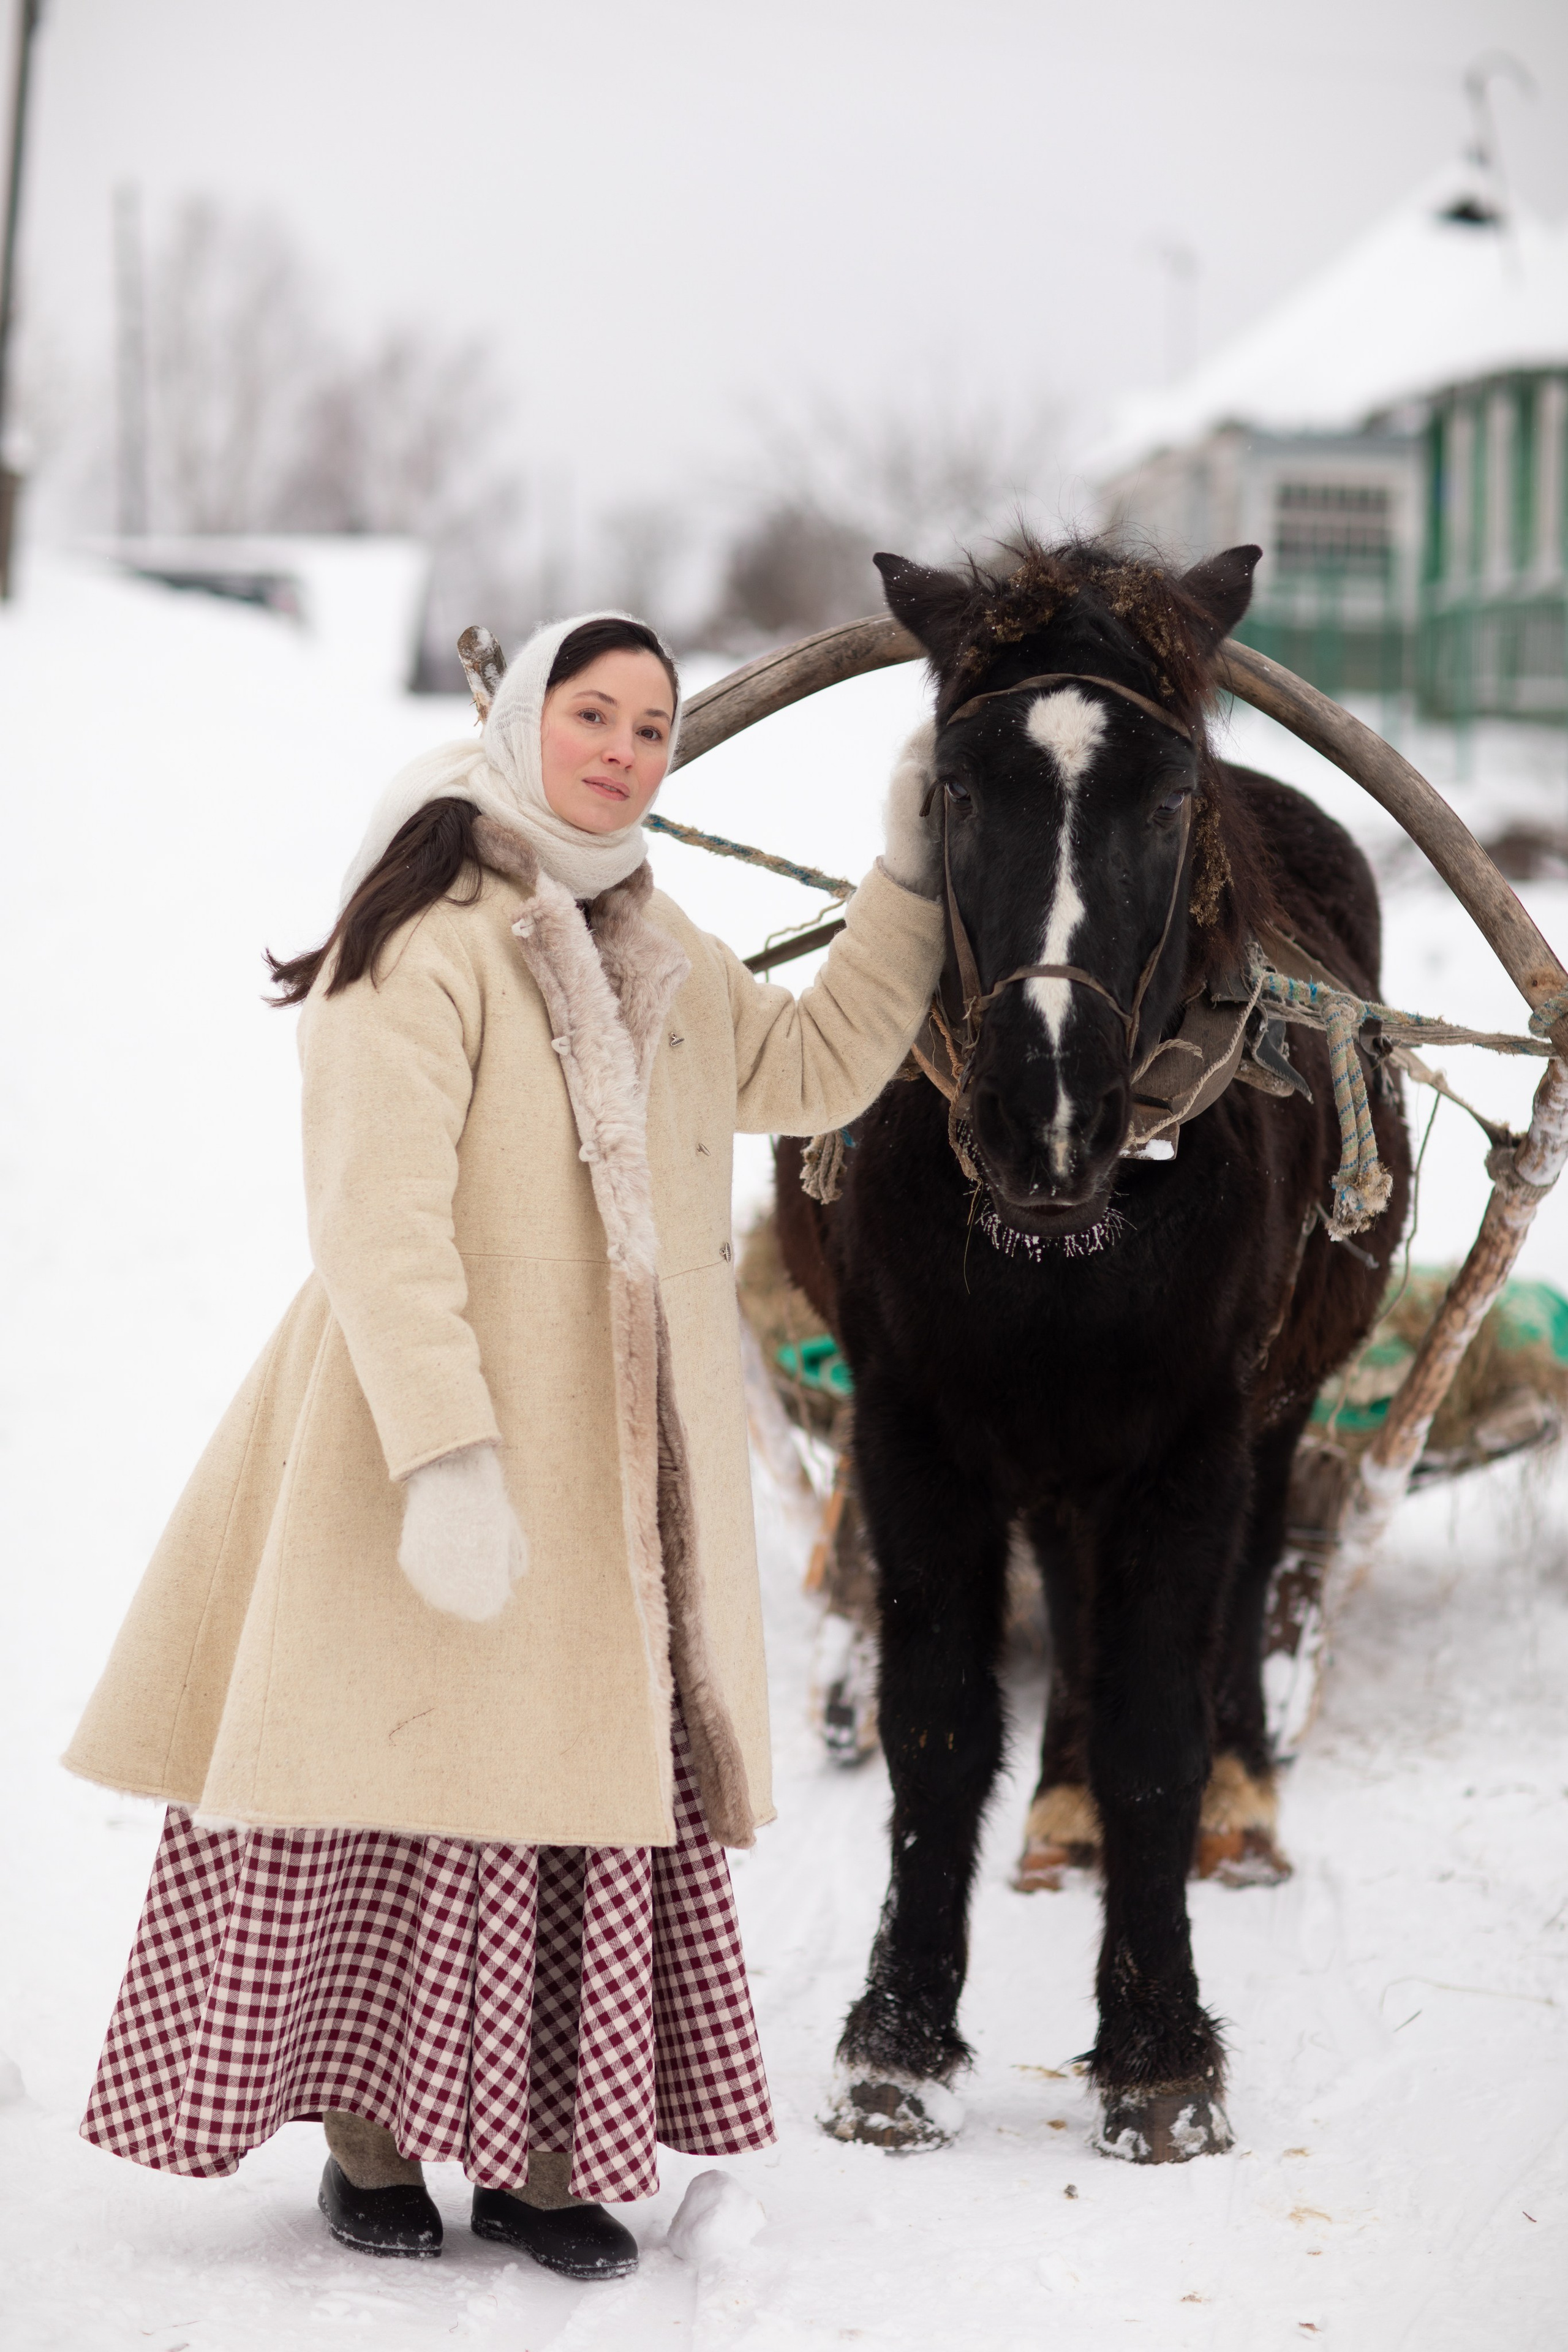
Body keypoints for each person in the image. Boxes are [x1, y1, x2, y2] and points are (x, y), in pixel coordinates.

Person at [64, 610, 944, 2280]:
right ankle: (368, 2138)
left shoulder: (656, 934)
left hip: (615, 1474)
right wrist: (447, 1456)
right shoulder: (432, 923)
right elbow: (373, 1216)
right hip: (421, 1439)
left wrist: (907, 878)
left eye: (651, 726)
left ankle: (548, 2158)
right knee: (388, 1792)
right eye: (590, 713)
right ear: (523, 720)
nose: (620, 749)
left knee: (575, 1809)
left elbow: (819, 1066)